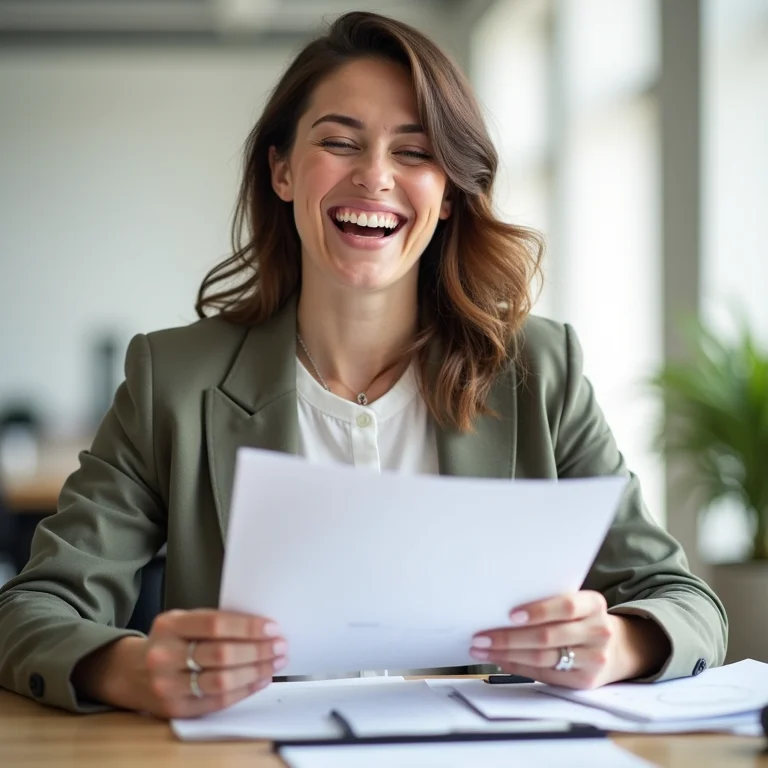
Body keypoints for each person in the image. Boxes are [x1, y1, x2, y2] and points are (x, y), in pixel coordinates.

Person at [0, 11, 726, 719]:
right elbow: (31, 609)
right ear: (282, 171)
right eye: (340, 142)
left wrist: (619, 642)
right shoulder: (174, 379)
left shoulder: (539, 369)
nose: (375, 176)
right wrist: (135, 668)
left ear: (447, 195)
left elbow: (683, 599)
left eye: (413, 152)